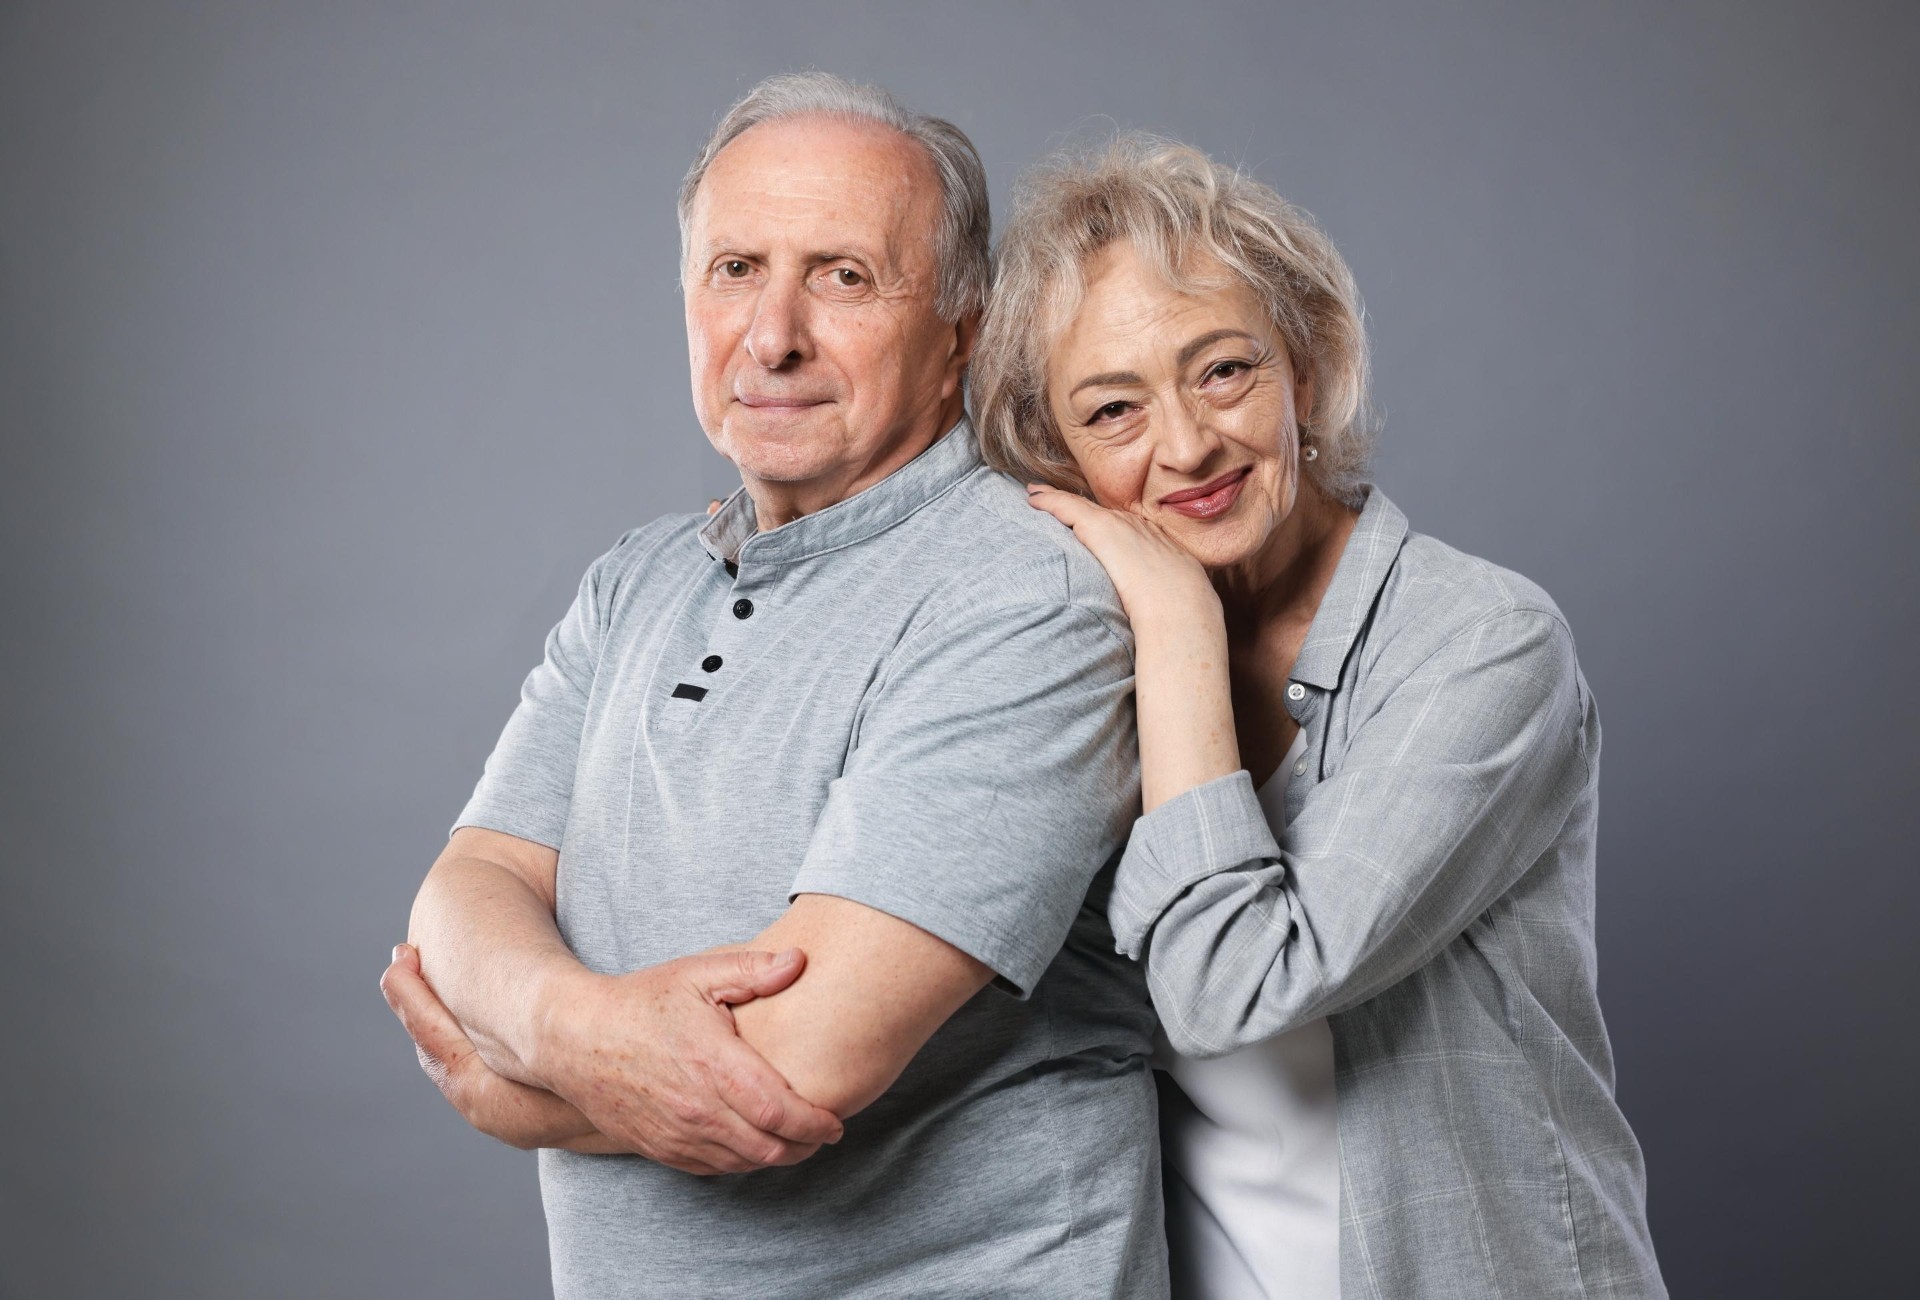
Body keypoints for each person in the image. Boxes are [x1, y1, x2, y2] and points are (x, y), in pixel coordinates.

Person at [379, 75, 1168, 1298]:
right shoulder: (635, 581)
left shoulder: (1022, 594)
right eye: (734, 268)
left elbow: (796, 1065)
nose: (773, 333)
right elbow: (468, 889)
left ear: (964, 323)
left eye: (844, 275)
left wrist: (512, 1084)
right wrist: (569, 1032)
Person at [972, 135, 1666, 1299]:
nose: (1186, 445)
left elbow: (1237, 988)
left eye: (1224, 370)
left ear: (1310, 363)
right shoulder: (1069, 665)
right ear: (1053, 451)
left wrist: (1184, 638)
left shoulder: (1484, 640)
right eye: (1113, 409)